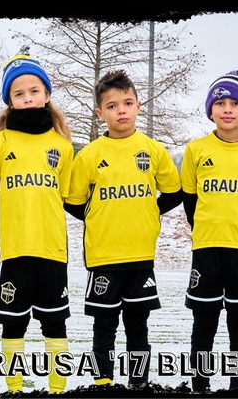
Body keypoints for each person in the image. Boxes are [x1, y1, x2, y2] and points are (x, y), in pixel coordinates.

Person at [63, 69, 184, 388]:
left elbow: (175, 193)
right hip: (104, 256)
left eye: (128, 103)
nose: (121, 111)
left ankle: (138, 384)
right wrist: (100, 217)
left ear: (138, 106)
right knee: (104, 328)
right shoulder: (90, 155)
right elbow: (73, 202)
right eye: (112, 105)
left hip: (140, 256)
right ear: (99, 112)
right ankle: (103, 384)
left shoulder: (153, 150)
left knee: (137, 328)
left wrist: (148, 212)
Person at [0, 51, 73, 394]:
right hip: (14, 253)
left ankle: (58, 390)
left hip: (52, 252)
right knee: (13, 327)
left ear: (46, 94)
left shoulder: (62, 146)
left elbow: (66, 199)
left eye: (34, 91)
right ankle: (15, 389)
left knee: (55, 326)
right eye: (19, 93)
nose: (28, 97)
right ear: (10, 101)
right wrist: (0, 242)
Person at [179, 70, 238, 391]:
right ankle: (200, 386)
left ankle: (237, 387)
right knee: (204, 323)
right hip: (206, 248)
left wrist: (237, 225)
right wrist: (208, 229)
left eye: (235, 103)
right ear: (211, 110)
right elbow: (190, 200)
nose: (227, 109)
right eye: (220, 103)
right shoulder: (196, 149)